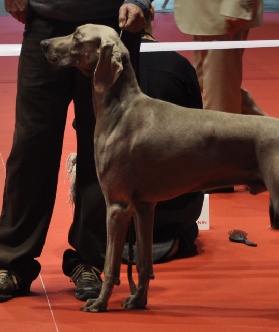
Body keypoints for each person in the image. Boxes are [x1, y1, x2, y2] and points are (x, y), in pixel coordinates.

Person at [0, 0, 153, 303]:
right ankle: (11, 261)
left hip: (112, 27)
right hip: (45, 21)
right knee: (30, 147)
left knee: (104, 153)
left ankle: (90, 261)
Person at [63, 7, 205, 300]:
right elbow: (198, 134)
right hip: (174, 228)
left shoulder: (100, 75)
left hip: (110, 236)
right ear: (150, 17)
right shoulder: (180, 66)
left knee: (92, 159)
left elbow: (82, 127)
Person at [173, 0, 263, 193]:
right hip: (204, 13)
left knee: (220, 94)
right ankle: (270, 146)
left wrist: (238, 5)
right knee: (211, 90)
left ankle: (222, 169)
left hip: (223, 13)